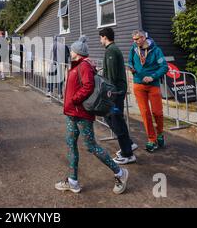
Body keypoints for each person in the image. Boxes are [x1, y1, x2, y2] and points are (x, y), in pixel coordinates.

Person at [55, 36, 129, 194]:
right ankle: (73, 181)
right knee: (70, 142)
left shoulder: (84, 65)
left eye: (73, 50)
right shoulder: (78, 64)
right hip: (72, 113)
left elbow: (88, 86)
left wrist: (74, 99)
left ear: (78, 52)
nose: (71, 52)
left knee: (91, 146)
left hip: (81, 113)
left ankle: (120, 173)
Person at [99, 27, 138, 164]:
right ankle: (128, 144)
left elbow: (112, 76)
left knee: (115, 120)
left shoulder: (111, 51)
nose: (100, 40)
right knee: (112, 118)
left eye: (100, 37)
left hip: (114, 93)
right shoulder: (113, 50)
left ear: (105, 37)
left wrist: (107, 92)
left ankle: (128, 153)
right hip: (116, 91)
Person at [128, 30, 168, 152]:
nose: (135, 41)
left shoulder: (156, 50)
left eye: (137, 39)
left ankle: (160, 133)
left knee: (157, 112)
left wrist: (153, 76)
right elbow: (130, 61)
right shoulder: (134, 49)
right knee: (145, 113)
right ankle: (151, 139)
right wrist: (131, 68)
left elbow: (164, 67)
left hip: (153, 85)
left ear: (144, 37)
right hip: (138, 85)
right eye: (134, 39)